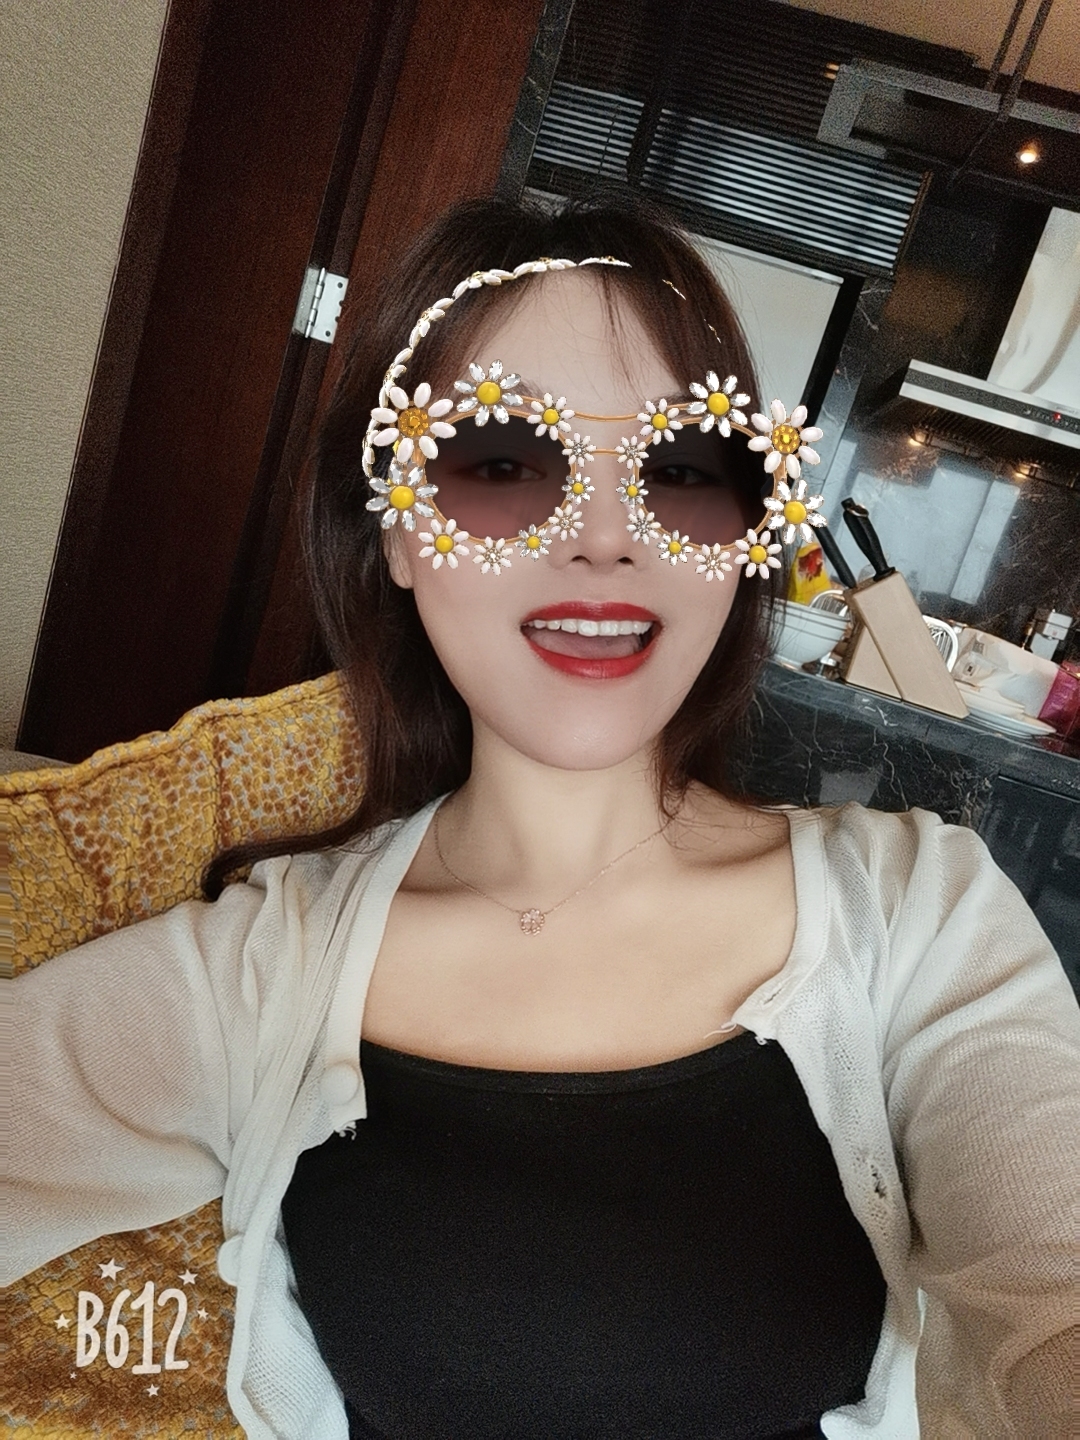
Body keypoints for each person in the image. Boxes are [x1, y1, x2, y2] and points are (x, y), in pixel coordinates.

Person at [9, 195, 1078, 1440]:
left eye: (682, 469)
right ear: (396, 534)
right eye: (504, 464)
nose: (607, 541)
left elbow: (1050, 1296)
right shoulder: (264, 968)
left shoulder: (919, 917)